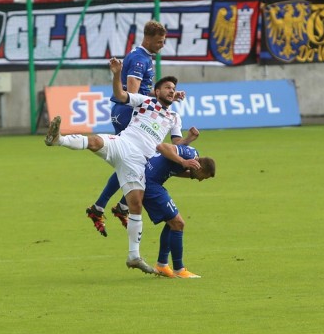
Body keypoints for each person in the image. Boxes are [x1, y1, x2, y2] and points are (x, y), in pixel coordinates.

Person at [45, 57, 200, 275]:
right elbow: (120, 96)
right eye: (167, 87)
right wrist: (117, 74)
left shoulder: (175, 117)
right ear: (156, 91)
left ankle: (133, 256)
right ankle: (58, 139)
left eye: (174, 88)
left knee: (135, 205)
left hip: (140, 160)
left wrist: (190, 139)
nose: (171, 91)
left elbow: (175, 146)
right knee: (95, 141)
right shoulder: (145, 101)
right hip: (124, 144)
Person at [84, 21, 190, 237]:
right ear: (149, 39)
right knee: (138, 162)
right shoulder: (141, 60)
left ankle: (107, 207)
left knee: (132, 162)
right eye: (160, 42)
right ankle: (108, 207)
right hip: (128, 113)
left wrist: (167, 95)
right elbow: (133, 94)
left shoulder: (142, 56)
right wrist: (160, 97)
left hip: (123, 112)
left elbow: (142, 91)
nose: (162, 46)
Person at [141, 143, 216, 278]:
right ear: (199, 167)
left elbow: (173, 169)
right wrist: (183, 161)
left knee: (173, 223)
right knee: (178, 223)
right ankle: (179, 269)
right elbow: (162, 147)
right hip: (150, 185)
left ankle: (162, 265)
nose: (200, 181)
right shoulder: (189, 156)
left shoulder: (192, 158)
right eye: (203, 177)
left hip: (151, 182)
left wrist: (189, 171)